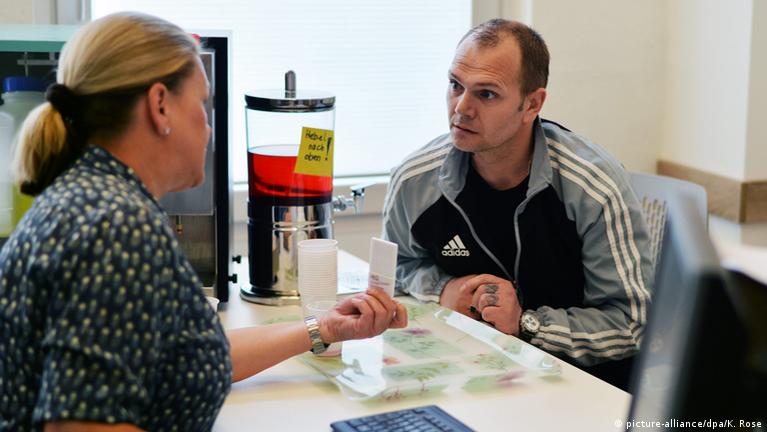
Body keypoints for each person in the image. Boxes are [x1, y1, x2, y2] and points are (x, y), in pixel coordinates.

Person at [0, 12, 407, 432]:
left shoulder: (89, 199)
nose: (209, 128)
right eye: (201, 104)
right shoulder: (114, 227)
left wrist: (324, 328)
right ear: (160, 105)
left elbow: (185, 354)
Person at [382, 18, 652, 389]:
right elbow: (395, 270)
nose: (461, 108)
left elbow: (633, 323)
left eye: (486, 94)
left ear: (532, 104)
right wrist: (443, 289)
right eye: (455, 85)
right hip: (467, 373)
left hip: (581, 385)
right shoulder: (415, 181)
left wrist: (526, 324)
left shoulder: (592, 187)